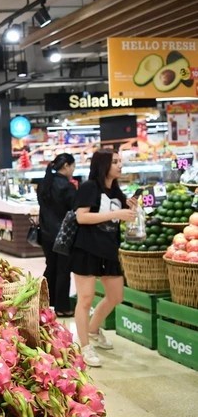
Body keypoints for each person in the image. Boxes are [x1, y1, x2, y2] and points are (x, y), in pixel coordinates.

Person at [71, 149, 137, 367]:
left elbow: (115, 221)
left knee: (116, 295)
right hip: (86, 249)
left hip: (108, 251)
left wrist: (130, 210)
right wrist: (115, 214)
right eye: (115, 161)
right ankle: (85, 345)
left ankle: (93, 328)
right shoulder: (90, 187)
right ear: (103, 165)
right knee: (86, 298)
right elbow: (81, 217)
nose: (120, 165)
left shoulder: (116, 191)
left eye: (121, 161)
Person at [37, 153, 77, 317]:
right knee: (63, 270)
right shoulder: (67, 187)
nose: (73, 170)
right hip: (63, 235)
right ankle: (62, 307)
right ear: (66, 165)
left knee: (51, 267)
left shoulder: (44, 184)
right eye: (73, 166)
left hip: (46, 233)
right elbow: (74, 210)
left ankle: (45, 302)